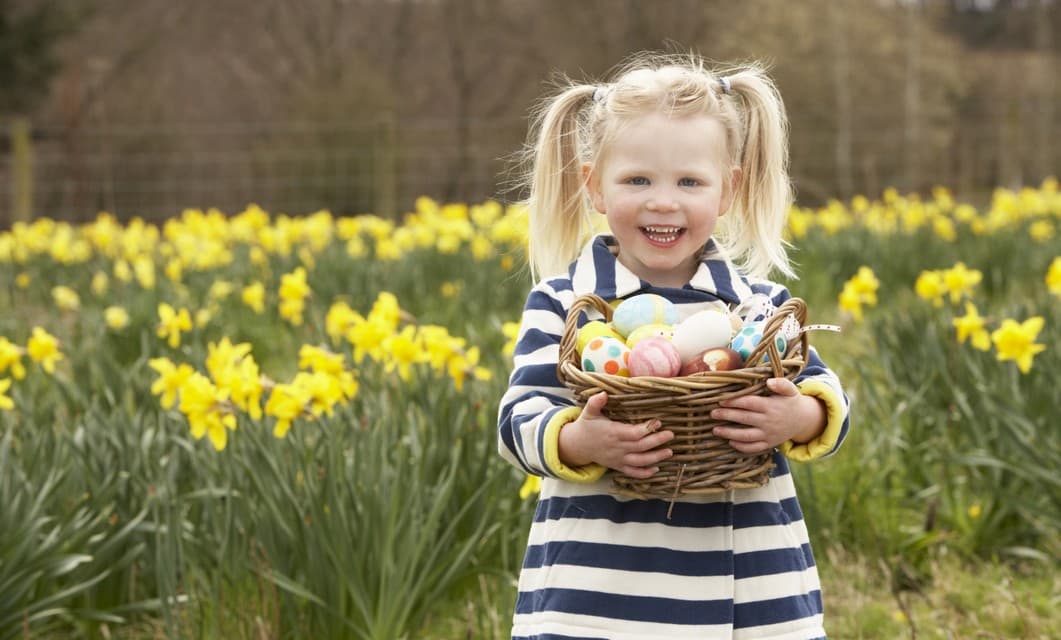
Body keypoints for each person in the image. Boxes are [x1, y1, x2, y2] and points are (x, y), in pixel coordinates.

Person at [497, 52, 851, 640]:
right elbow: (517, 421)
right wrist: (579, 439)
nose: (664, 201)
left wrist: (800, 415)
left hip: (752, 591)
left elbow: (828, 397)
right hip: (602, 589)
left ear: (728, 190)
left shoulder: (756, 309)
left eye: (690, 181)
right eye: (638, 180)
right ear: (594, 187)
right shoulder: (568, 304)